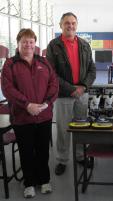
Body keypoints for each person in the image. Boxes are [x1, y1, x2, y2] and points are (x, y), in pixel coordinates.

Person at [1, 28, 58, 198]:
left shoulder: (44, 62)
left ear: (35, 44)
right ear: (18, 44)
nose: (28, 45)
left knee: (42, 151)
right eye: (24, 41)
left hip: (44, 115)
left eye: (31, 41)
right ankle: (29, 183)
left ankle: (44, 180)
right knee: (26, 152)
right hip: (22, 117)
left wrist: (46, 103)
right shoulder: (10, 64)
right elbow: (7, 88)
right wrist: (27, 105)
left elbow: (54, 84)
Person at [46, 12, 96, 176]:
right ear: (61, 25)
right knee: (63, 128)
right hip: (63, 94)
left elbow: (92, 69)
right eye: (67, 23)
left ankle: (81, 155)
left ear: (77, 25)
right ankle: (62, 160)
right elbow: (51, 73)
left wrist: (83, 87)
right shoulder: (54, 45)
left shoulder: (84, 44)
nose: (70, 26)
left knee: (82, 127)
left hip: (82, 93)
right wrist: (71, 89)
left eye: (73, 23)